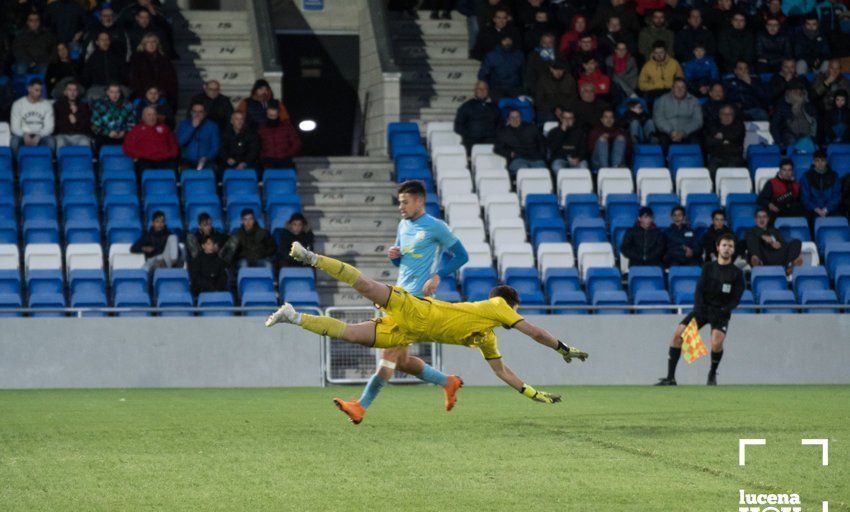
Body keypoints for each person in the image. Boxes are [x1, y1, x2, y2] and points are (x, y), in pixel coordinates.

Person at [265, 244, 588, 424]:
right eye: (516, 309)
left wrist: (534, 394)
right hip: (416, 309)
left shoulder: (487, 337)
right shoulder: (497, 304)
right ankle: (311, 257)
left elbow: (502, 371)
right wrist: (562, 348)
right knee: (364, 286)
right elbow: (532, 332)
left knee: (350, 336)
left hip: (409, 330)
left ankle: (293, 316)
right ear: (510, 303)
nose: (516, 315)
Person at [331, 181, 470, 422]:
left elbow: (462, 256)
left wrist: (438, 275)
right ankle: (448, 382)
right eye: (399, 202)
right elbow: (403, 262)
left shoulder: (436, 227)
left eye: (405, 202)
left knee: (389, 354)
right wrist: (395, 258)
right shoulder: (403, 225)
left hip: (415, 302)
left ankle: (360, 406)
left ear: (420, 201)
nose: (401, 207)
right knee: (402, 361)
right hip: (396, 297)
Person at [656, 233, 743, 386]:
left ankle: (712, 372)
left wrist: (725, 309)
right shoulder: (708, 267)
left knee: (716, 343)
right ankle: (670, 378)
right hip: (703, 310)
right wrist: (698, 308)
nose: (727, 248)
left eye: (730, 246)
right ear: (718, 248)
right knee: (678, 335)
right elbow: (699, 289)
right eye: (724, 245)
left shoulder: (737, 273)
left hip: (721, 313)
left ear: (734, 249)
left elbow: (736, 298)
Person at [123, 106, 179, 174]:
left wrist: (169, 155)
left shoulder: (165, 128)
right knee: (141, 168)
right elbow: (127, 147)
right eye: (149, 114)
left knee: (173, 167)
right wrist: (139, 155)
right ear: (143, 117)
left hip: (164, 159)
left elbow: (173, 145)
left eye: (154, 114)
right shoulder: (136, 130)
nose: (152, 117)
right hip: (145, 160)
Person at [129, 33, 178, 107]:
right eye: (148, 42)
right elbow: (134, 79)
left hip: (161, 95)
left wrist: (160, 92)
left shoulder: (165, 60)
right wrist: (146, 93)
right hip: (142, 95)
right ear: (144, 45)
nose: (151, 44)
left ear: (157, 44)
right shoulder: (137, 59)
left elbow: (171, 80)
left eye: (153, 42)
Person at [652, 78, 703, 148]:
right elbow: (658, 118)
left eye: (682, 87)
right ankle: (665, 159)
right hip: (667, 133)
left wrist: (684, 132)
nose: (680, 89)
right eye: (677, 87)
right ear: (672, 88)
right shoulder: (662, 99)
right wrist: (671, 132)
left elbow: (697, 121)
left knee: (697, 140)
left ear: (686, 89)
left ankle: (693, 159)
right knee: (662, 140)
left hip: (688, 133)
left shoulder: (694, 101)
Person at [494, 109, 547, 176]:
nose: (515, 119)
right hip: (517, 159)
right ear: (508, 119)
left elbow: (542, 142)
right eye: (512, 117)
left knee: (541, 172)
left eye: (517, 117)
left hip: (536, 158)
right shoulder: (503, 132)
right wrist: (510, 153)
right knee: (525, 172)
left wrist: (541, 155)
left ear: (521, 118)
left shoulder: (531, 127)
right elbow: (497, 148)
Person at [10, 78, 55, 154]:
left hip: (41, 135)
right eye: (36, 90)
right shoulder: (18, 104)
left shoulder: (47, 105)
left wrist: (39, 135)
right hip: (23, 134)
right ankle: (17, 164)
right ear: (29, 89)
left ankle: (47, 164)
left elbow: (49, 127)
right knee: (14, 142)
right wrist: (24, 134)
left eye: (41, 91)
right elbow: (15, 127)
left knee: (51, 142)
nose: (39, 93)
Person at [770, 80, 818, 151]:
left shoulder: (809, 106)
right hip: (788, 135)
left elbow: (815, 122)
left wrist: (814, 137)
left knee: (808, 141)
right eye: (794, 90)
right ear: (789, 92)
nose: (797, 93)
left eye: (799, 90)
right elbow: (774, 125)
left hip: (807, 135)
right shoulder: (782, 106)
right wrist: (779, 142)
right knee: (791, 140)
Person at [454, 81, 501, 152]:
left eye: (485, 89)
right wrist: (470, 134)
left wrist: (493, 134)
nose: (482, 91)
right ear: (475, 91)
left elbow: (500, 124)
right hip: (472, 142)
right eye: (480, 89)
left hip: (491, 141)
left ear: (488, 91)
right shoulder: (466, 106)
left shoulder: (495, 107)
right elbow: (458, 126)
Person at [477, 35, 525, 101]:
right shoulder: (492, 55)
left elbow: (523, 72)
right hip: (497, 89)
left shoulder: (519, 54)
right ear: (500, 41)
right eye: (505, 40)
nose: (507, 42)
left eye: (509, 40)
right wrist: (486, 87)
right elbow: (483, 73)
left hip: (515, 88)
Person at [80, 32, 126, 99]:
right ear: (97, 42)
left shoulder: (116, 56)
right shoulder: (92, 58)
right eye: (102, 40)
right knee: (91, 95)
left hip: (116, 86)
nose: (105, 42)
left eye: (107, 39)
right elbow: (86, 76)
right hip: (98, 87)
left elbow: (123, 73)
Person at [90, 83, 136, 149]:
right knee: (97, 140)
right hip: (106, 136)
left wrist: (124, 131)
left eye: (117, 92)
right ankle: (96, 159)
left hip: (122, 135)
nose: (115, 95)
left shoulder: (127, 105)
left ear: (120, 93)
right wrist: (108, 132)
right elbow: (94, 126)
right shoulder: (99, 105)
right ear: (107, 92)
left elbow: (132, 123)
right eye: (112, 92)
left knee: (134, 139)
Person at [638, 41, 684, 106]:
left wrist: (673, 86)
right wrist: (656, 85)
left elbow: (681, 79)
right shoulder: (647, 66)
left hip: (671, 90)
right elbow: (641, 85)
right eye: (656, 53)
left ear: (665, 52)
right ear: (653, 53)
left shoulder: (674, 63)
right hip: (654, 91)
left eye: (661, 52)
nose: (659, 55)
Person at [176, 102, 220, 171]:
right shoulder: (183, 124)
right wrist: (192, 127)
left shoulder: (212, 126)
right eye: (195, 112)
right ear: (191, 113)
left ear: (205, 113)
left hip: (207, 161)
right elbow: (180, 142)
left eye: (200, 112)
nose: (197, 114)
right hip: (187, 161)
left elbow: (215, 147)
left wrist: (206, 158)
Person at [704, 104, 745, 176]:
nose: (727, 116)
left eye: (730, 114)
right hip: (717, 156)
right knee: (712, 170)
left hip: (734, 157)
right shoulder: (713, 126)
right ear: (720, 115)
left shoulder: (739, 126)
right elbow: (709, 142)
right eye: (724, 114)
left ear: (733, 116)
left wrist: (721, 138)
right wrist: (726, 140)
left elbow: (736, 138)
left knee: (731, 171)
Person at [800, 151, 842, 221]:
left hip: (831, 209)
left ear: (826, 162)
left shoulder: (834, 176)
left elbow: (837, 195)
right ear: (813, 162)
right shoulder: (806, 176)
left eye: (822, 160)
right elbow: (805, 197)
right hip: (812, 210)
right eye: (817, 161)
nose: (820, 164)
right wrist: (816, 209)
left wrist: (826, 209)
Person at [12, 12, 55, 77]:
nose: (34, 22)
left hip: (43, 61)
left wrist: (48, 60)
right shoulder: (21, 35)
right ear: (27, 22)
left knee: (46, 70)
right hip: (25, 61)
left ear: (40, 22)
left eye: (36, 20)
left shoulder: (47, 34)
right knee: (21, 68)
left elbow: (53, 48)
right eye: (31, 20)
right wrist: (29, 61)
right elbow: (17, 50)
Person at [53, 81, 92, 149]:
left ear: (77, 92)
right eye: (70, 90)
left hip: (80, 136)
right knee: (60, 142)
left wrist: (76, 116)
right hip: (63, 135)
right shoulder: (58, 105)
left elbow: (87, 125)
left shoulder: (84, 106)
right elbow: (56, 124)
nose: (72, 92)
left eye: (74, 90)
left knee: (85, 142)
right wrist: (69, 120)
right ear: (65, 92)